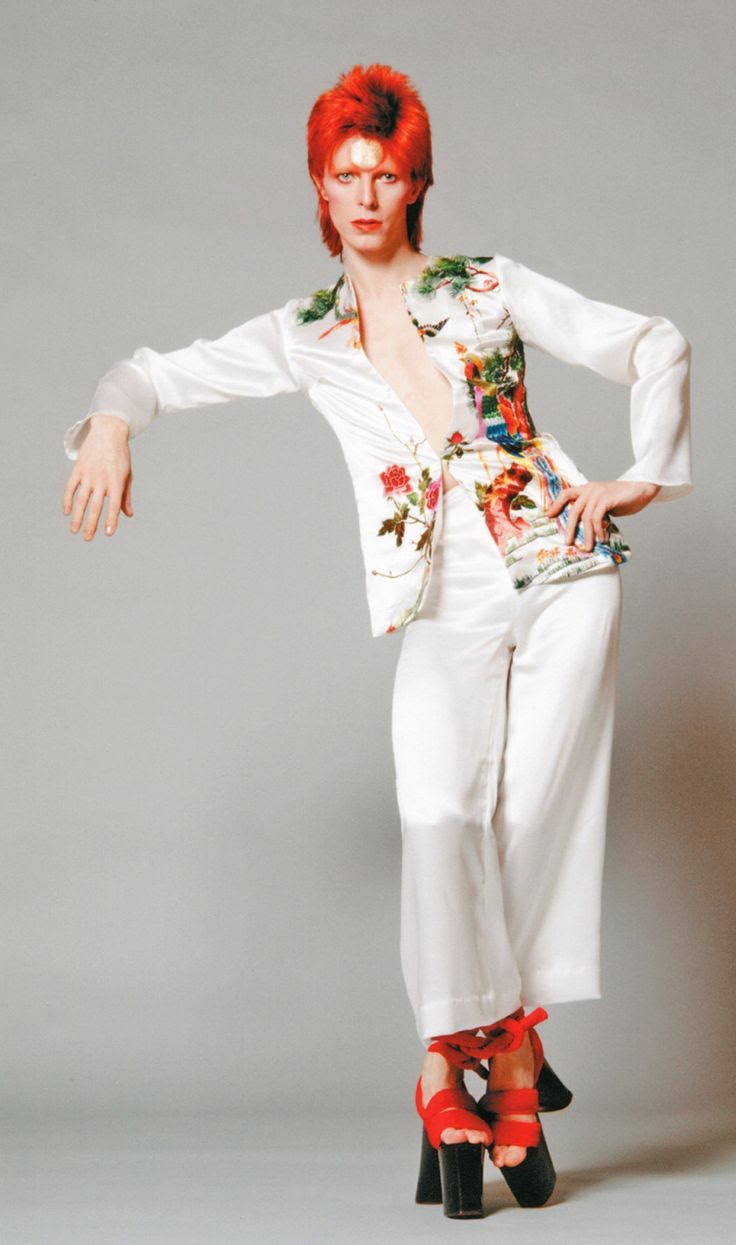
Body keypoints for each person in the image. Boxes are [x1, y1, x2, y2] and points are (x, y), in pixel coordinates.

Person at [61, 63, 693, 1218]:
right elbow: (150, 374)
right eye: (346, 174)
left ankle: (473, 1074)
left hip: (560, 568)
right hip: (441, 592)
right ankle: (494, 1057)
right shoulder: (305, 334)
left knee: (531, 815)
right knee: (439, 812)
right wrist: (109, 421)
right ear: (319, 185)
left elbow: (653, 342)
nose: (364, 195)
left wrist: (641, 475)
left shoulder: (488, 285)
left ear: (416, 186)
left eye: (386, 175)